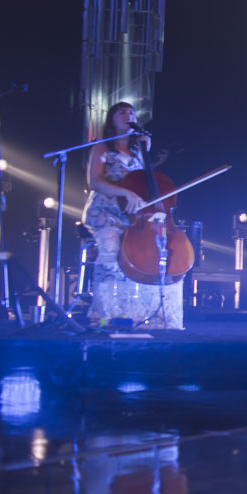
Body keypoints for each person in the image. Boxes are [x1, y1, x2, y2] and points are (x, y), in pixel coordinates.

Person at [81, 102, 184, 329]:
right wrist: (124, 192)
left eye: (132, 113)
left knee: (147, 257)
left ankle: (140, 313)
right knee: (110, 249)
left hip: (133, 217)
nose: (129, 115)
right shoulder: (102, 148)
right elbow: (94, 182)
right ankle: (104, 313)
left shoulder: (139, 152)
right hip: (106, 212)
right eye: (122, 112)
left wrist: (146, 150)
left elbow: (142, 185)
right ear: (112, 120)